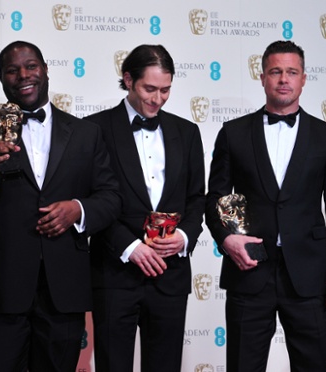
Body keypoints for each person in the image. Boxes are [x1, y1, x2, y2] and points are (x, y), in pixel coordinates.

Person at [0, 40, 121, 372]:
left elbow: (110, 198)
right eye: (12, 69)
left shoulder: (86, 134)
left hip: (62, 293)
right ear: (1, 79)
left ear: (46, 69)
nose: (23, 75)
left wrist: (78, 210)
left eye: (31, 66)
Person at [205, 40, 326, 371]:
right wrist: (228, 238)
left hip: (308, 276)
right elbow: (216, 197)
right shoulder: (233, 133)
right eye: (275, 71)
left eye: (291, 72)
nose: (283, 79)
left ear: (303, 78)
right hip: (249, 271)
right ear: (262, 78)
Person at [87, 44, 206, 372]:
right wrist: (129, 246)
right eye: (149, 89)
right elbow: (91, 200)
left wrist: (183, 236)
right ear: (128, 80)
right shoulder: (93, 130)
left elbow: (197, 198)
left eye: (165, 90)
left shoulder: (187, 132)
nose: (158, 99)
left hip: (170, 275)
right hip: (115, 272)